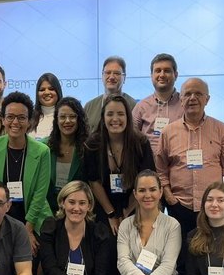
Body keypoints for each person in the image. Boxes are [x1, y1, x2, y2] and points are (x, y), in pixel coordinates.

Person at [155, 77, 224, 274]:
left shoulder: (220, 129)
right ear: (181, 99)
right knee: (182, 257)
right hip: (179, 205)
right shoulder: (168, 131)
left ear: (207, 99)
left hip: (212, 207)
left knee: (213, 255)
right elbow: (160, 169)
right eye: (187, 94)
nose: (192, 98)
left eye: (198, 94)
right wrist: (169, 196)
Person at [0, 91, 52, 253]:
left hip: (34, 220)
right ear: (3, 120)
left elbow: (40, 195)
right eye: (10, 117)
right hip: (2, 217)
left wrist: (27, 230)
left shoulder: (42, 151)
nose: (15, 122)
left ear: (29, 121)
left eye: (21, 117)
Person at [84, 94, 154, 235]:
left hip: (136, 204)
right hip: (103, 206)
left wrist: (127, 213)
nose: (115, 119)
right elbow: (93, 181)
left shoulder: (141, 143)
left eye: (121, 114)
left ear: (128, 117)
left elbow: (145, 181)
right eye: (110, 114)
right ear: (103, 118)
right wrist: (111, 214)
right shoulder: (93, 145)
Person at [43, 97, 88, 212]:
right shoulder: (44, 147)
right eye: (62, 117)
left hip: (77, 211)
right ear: (56, 120)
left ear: (79, 119)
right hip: (48, 212)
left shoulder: (88, 148)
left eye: (72, 116)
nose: (67, 121)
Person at [132, 53, 183, 152]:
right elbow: (130, 136)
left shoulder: (185, 104)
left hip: (178, 163)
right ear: (152, 76)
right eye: (158, 71)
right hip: (149, 163)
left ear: (176, 75)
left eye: (167, 71)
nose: (162, 75)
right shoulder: (141, 106)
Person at [84, 56, 137, 133]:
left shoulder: (134, 106)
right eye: (107, 73)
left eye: (116, 73)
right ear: (102, 76)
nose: (111, 77)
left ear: (124, 77)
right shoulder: (89, 106)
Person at [29, 72, 62, 140]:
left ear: (58, 91)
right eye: (42, 90)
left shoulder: (66, 117)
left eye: (51, 89)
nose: (46, 92)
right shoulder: (29, 117)